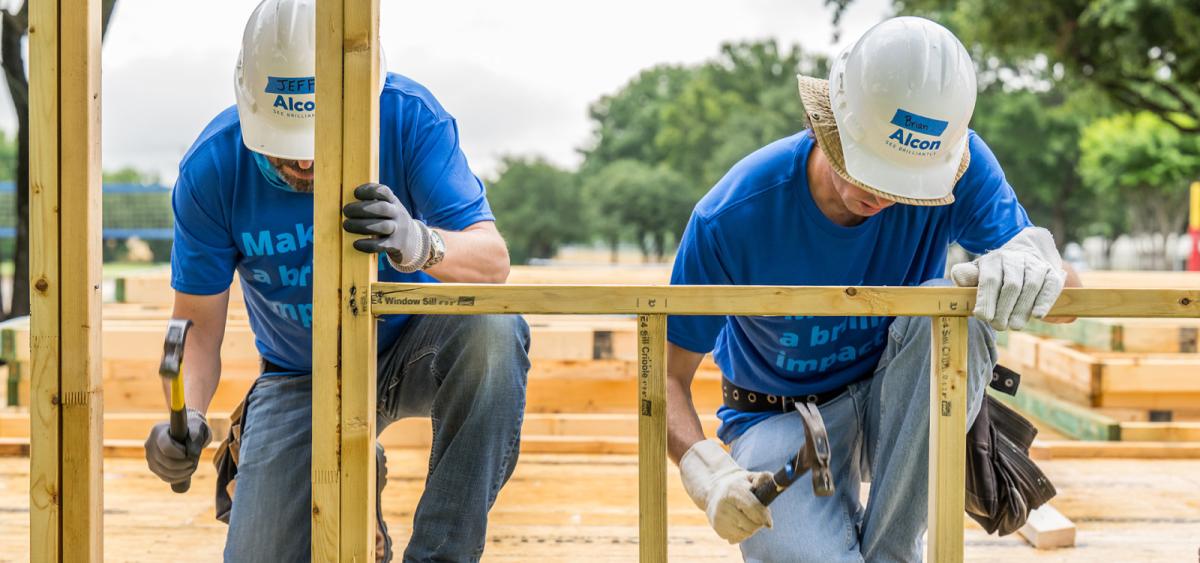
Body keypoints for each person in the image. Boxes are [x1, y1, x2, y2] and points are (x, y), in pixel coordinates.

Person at [666, 17, 1079, 562]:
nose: (885, 195)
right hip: (779, 416)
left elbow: (1071, 301)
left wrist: (1034, 261)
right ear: (828, 123)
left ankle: (893, 553)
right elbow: (667, 377)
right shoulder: (733, 216)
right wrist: (705, 470)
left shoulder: (960, 165)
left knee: (954, 315)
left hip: (902, 409)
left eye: (904, 181)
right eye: (873, 171)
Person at [141, 1, 530, 561]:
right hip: (301, 376)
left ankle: (440, 554)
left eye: (316, 147)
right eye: (286, 148)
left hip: (413, 350)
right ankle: (352, 471)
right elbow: (197, 326)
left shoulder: (409, 117)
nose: (303, 168)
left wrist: (420, 242)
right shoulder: (212, 168)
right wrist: (190, 418)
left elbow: (493, 263)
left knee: (495, 332)